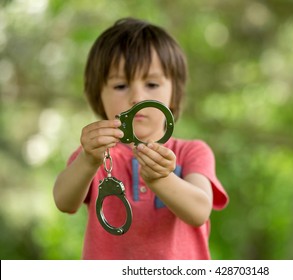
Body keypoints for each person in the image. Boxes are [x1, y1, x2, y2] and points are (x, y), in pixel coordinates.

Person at [53, 17, 229, 260]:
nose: (136, 96)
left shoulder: (192, 152)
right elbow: (64, 202)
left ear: (174, 95)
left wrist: (161, 179)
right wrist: (87, 160)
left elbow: (199, 211)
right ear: (98, 96)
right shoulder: (94, 154)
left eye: (152, 83)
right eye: (121, 85)